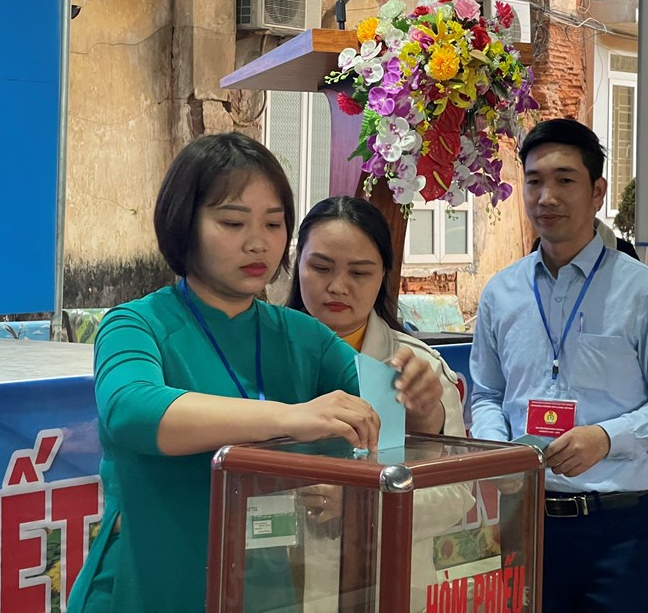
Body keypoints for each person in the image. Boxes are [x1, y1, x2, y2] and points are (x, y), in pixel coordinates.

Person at [67, 133, 437, 613]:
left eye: (274, 223)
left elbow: (392, 420)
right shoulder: (137, 324)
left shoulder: (302, 335)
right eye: (232, 222)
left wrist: (420, 399)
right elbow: (131, 410)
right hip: (148, 586)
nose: (258, 242)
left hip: (264, 590)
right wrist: (291, 417)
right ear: (184, 224)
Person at [469, 118, 648, 613]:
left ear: (597, 192)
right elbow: (486, 394)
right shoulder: (501, 292)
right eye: (534, 181)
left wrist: (606, 438)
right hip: (523, 519)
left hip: (616, 529)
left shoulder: (644, 293)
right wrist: (501, 452)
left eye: (564, 180)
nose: (546, 197)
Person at [287, 195, 472, 611]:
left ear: (383, 275)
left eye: (359, 272)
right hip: (278, 586)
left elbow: (457, 496)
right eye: (321, 268)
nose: (338, 286)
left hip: (385, 587)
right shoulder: (260, 356)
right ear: (297, 265)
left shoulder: (417, 367)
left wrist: (363, 502)